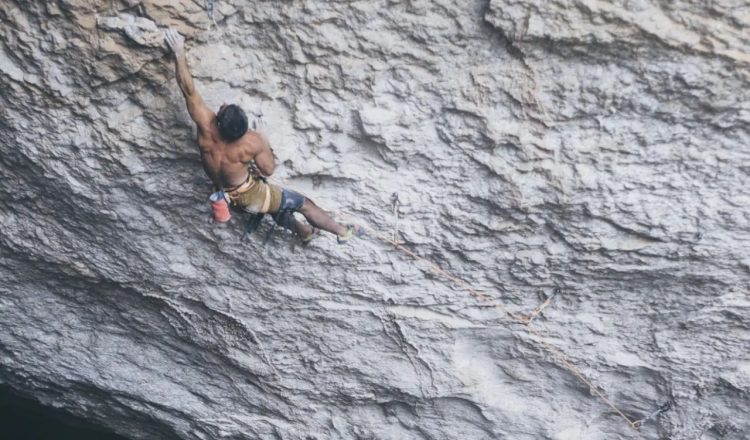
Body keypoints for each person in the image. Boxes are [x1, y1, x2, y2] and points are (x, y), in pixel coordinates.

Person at [163, 28, 361, 244]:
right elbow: (268, 169)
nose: (222, 105)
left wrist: (179, 52)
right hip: (250, 195)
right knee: (303, 203)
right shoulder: (252, 141)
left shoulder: (206, 128)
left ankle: (305, 233)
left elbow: (188, 90)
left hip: (225, 196)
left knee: (275, 204)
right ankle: (343, 232)